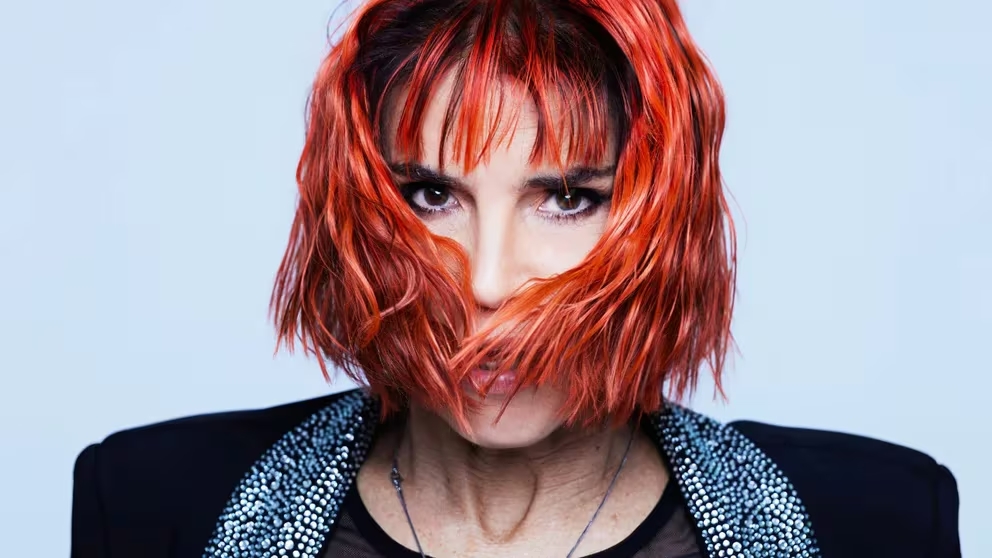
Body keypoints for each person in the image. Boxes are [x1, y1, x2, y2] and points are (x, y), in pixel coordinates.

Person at [70, 0, 962, 556]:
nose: (489, 281)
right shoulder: (152, 505)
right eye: (431, 195)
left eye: (566, 198)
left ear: (664, 215)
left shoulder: (875, 520)